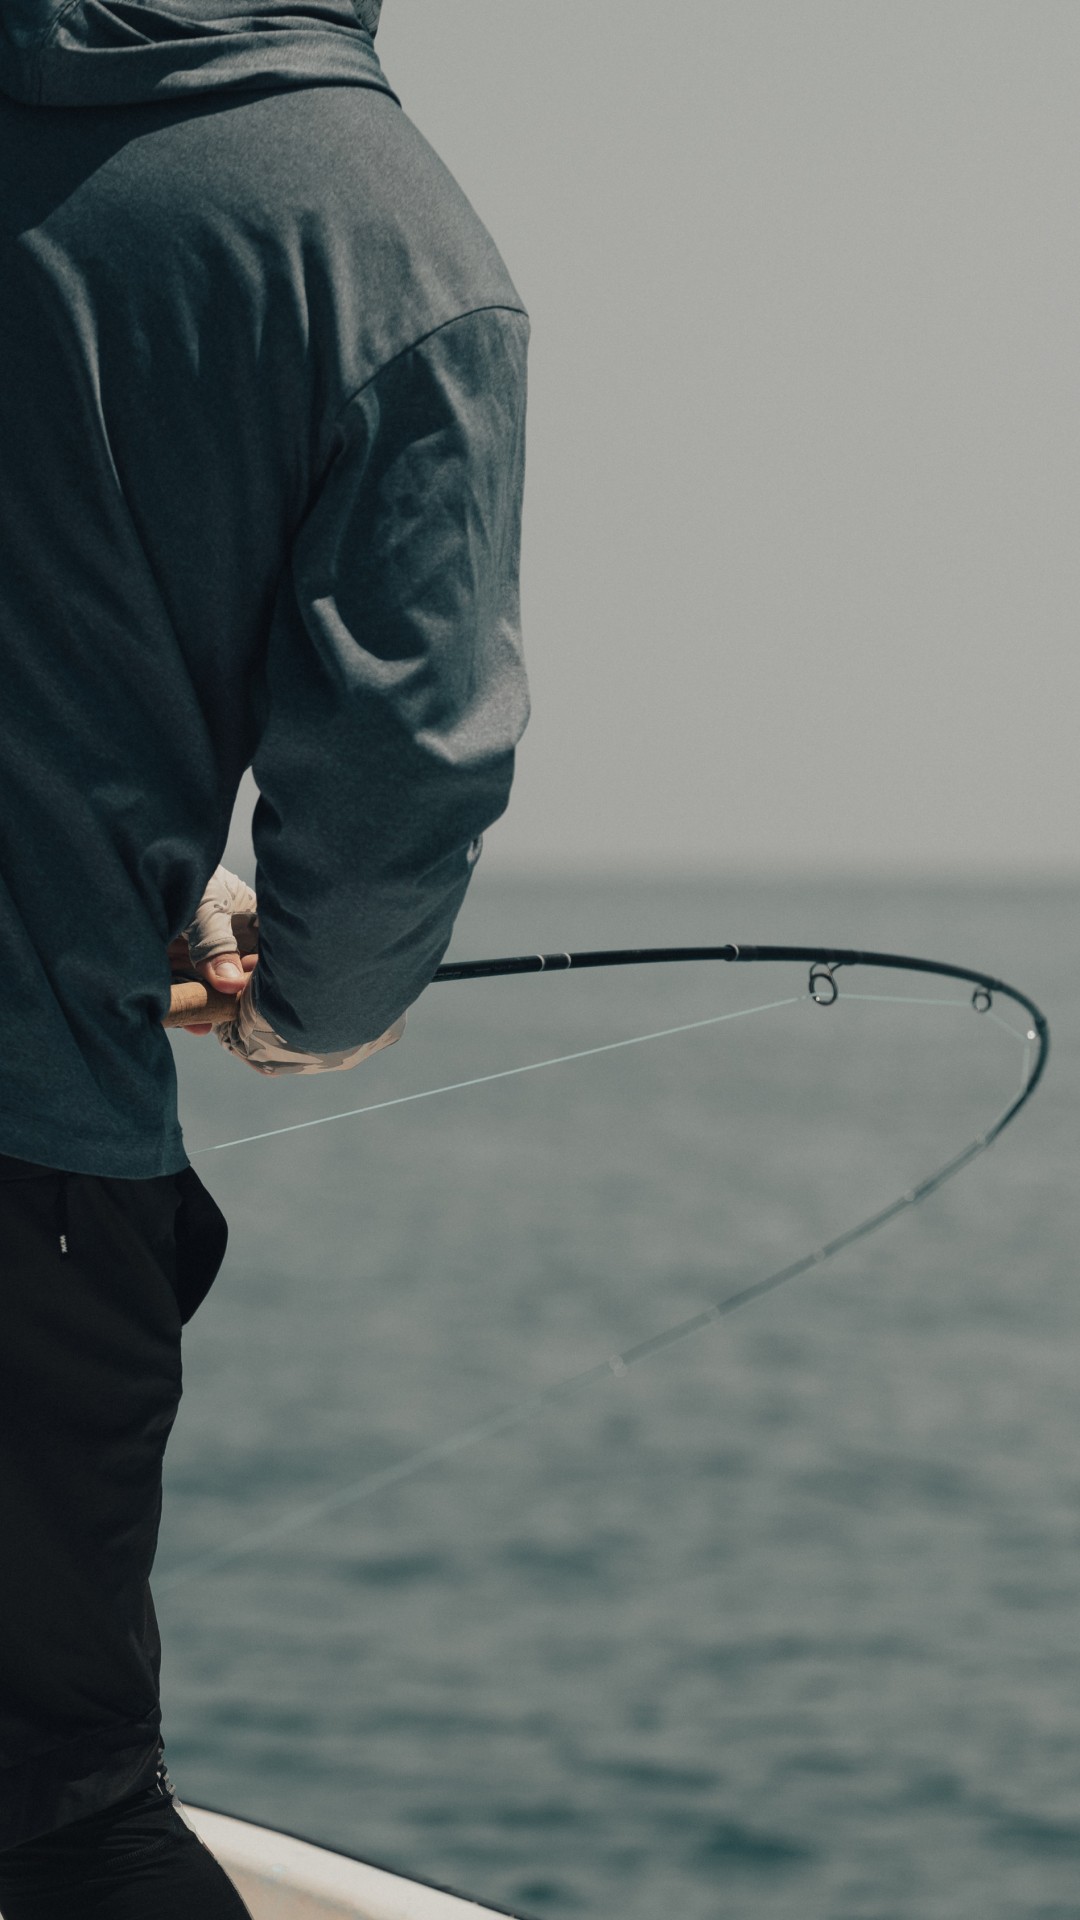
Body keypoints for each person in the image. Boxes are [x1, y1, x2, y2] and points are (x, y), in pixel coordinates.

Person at [0, 0, 529, 1907]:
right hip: (31, 1147)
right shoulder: (387, 246)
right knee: (63, 1819)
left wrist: (134, 880)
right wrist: (312, 988)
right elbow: (395, 763)